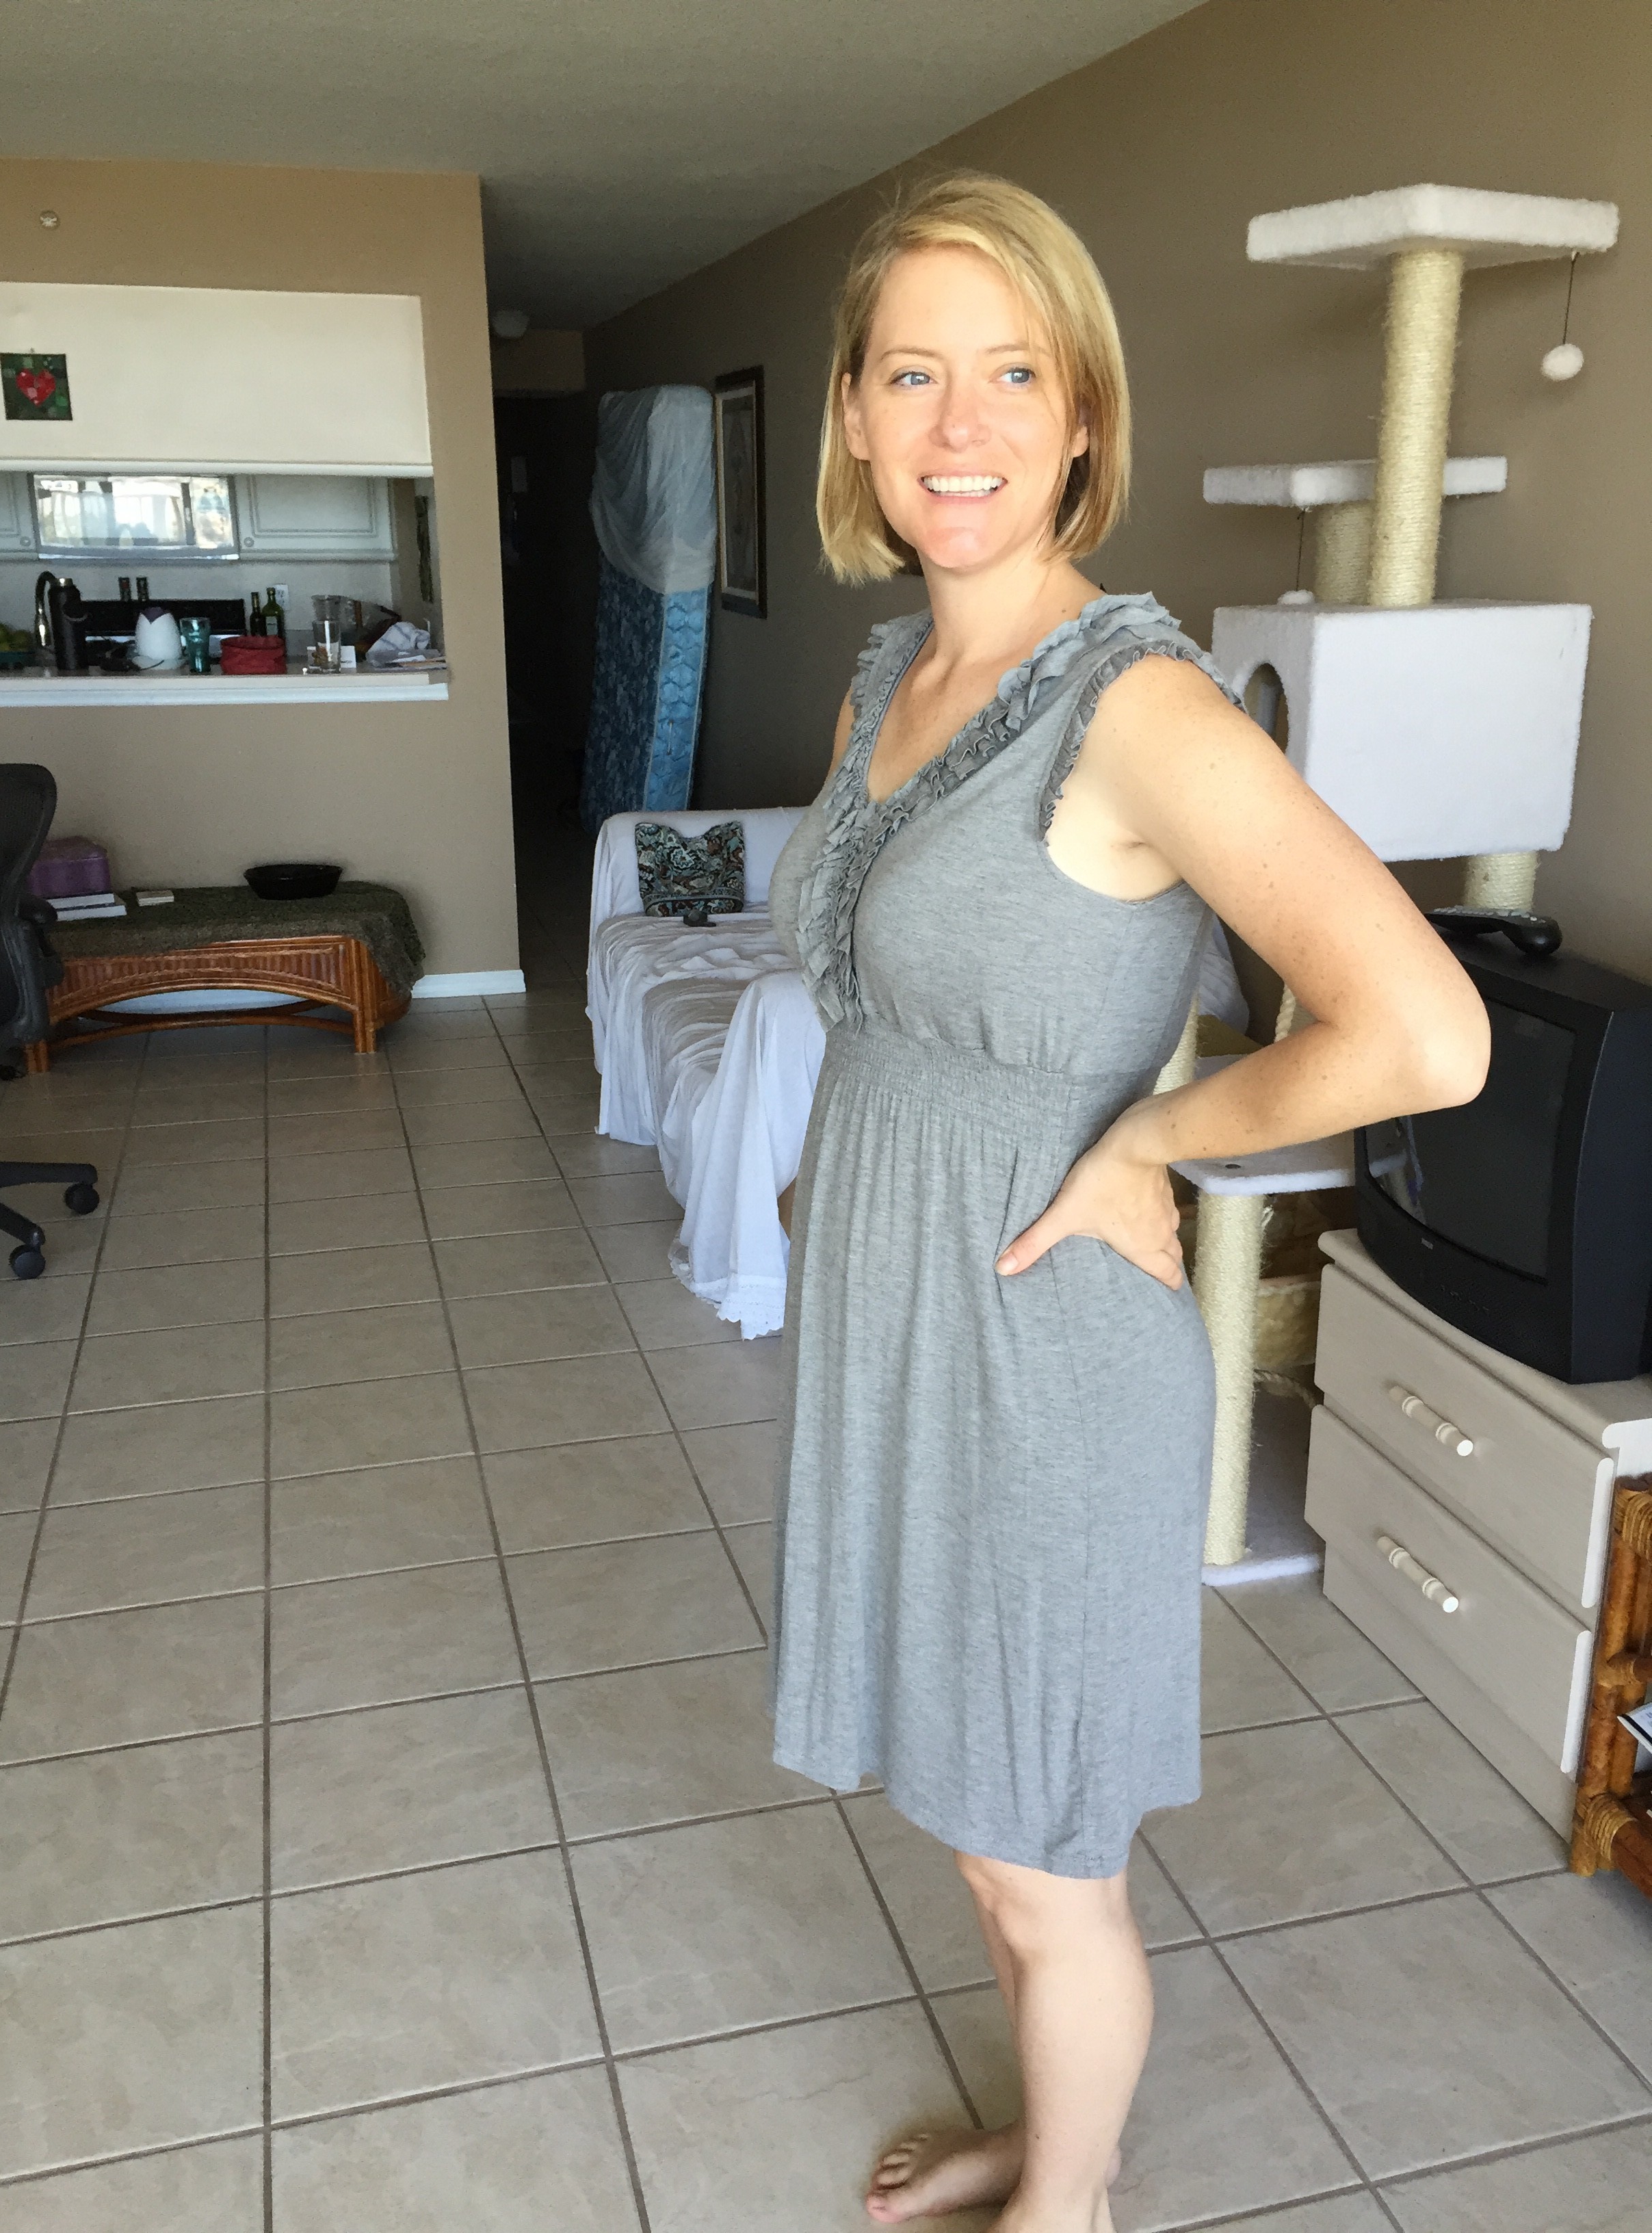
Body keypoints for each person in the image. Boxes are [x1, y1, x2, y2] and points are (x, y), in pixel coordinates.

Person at [765, 173, 1489, 2233]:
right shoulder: (886, 682)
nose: (960, 424)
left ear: (1082, 417)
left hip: (1043, 1350)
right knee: (978, 1820)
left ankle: (1064, 2210)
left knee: (1042, 1858)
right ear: (853, 416)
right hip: (908, 1321)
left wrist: (1155, 1142)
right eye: (914, 374)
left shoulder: (1139, 709)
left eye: (1014, 375)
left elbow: (1424, 1031)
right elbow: (890, 1005)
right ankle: (1049, 2137)